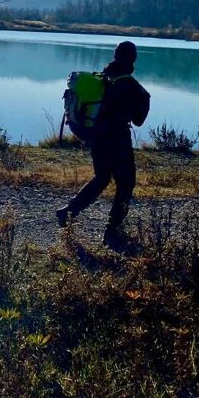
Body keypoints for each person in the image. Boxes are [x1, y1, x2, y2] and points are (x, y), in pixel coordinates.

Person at [56, 41, 150, 245]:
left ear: (115, 55)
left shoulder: (103, 77)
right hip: (118, 139)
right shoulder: (131, 86)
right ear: (133, 59)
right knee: (126, 184)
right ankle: (111, 231)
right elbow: (139, 120)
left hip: (97, 137)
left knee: (102, 177)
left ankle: (68, 212)